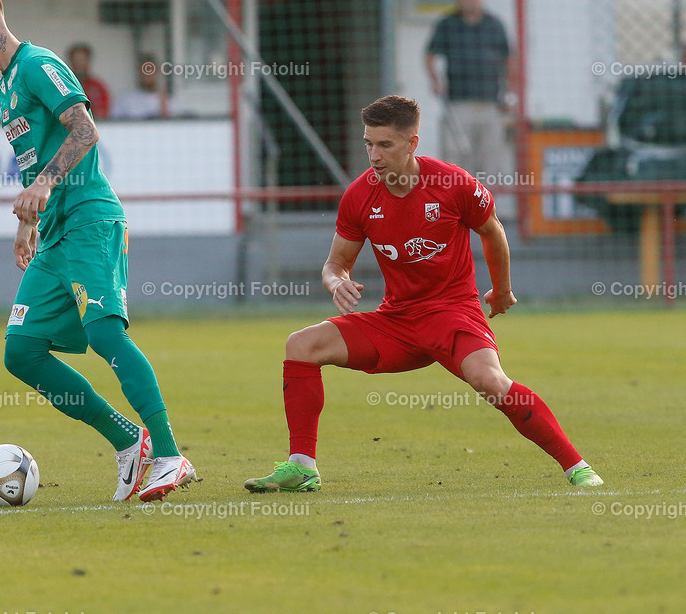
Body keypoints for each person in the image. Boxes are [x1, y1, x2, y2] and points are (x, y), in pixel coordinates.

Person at [245, 95, 603, 493]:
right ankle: (302, 466)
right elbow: (334, 264)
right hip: (396, 321)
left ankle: (577, 466)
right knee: (301, 345)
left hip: (453, 313)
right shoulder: (359, 196)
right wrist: (337, 282)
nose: (374, 155)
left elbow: (493, 231)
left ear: (412, 143)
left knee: (489, 380)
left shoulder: (453, 184)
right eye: (368, 144)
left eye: (385, 145)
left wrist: (501, 291)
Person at [0, 0, 194, 502]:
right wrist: (29, 221)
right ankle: (128, 440)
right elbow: (34, 160)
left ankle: (169, 454)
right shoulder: (4, 90)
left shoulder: (37, 64)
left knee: (104, 335)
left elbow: (85, 128)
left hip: (90, 219)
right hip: (53, 234)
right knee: (22, 350)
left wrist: (47, 184)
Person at [424, 0, 514, 190]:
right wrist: (436, 81)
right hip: (458, 104)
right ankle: (456, 213)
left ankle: (486, 215)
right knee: (455, 161)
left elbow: (509, 59)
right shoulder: (448, 24)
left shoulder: (494, 24)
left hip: (490, 104)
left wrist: (510, 92)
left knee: (490, 163)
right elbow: (429, 55)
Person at [111, 54, 180, 119]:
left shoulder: (169, 100)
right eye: (145, 70)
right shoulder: (125, 99)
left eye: (151, 70)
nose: (149, 74)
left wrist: (164, 110)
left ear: (157, 71)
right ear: (139, 72)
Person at [67, 43, 110, 119]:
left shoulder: (98, 87)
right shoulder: (64, 84)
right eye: (76, 60)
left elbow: (103, 113)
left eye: (82, 60)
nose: (79, 64)